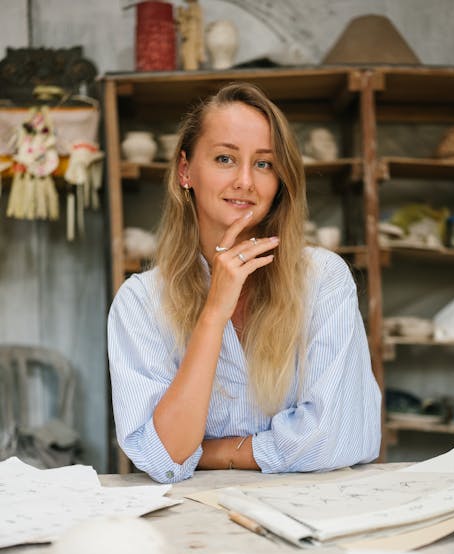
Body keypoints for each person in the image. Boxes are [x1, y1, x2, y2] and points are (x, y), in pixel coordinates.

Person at [108, 82, 381, 483]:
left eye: (264, 164)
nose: (245, 181)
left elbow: (335, 435)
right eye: (224, 158)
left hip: (312, 513)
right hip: (195, 522)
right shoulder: (141, 301)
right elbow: (162, 455)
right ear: (186, 170)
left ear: (280, 181)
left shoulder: (323, 280)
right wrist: (214, 313)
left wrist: (214, 452)